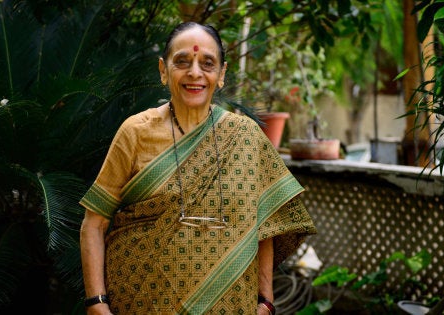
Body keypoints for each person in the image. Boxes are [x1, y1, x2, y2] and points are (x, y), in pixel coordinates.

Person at [79, 21, 317, 314]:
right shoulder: (136, 132)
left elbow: (265, 224)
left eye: (207, 63)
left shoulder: (246, 136)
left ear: (221, 74)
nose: (195, 73)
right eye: (182, 61)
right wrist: (96, 303)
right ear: (163, 70)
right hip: (141, 303)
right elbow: (94, 222)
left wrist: (265, 300)